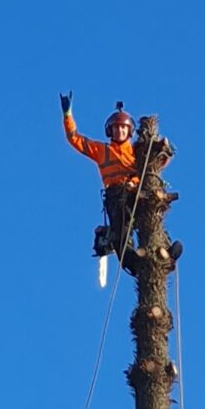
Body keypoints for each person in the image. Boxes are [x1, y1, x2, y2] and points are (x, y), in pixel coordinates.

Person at [60, 91, 181, 274]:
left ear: (129, 130)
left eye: (123, 128)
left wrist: (165, 151)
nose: (120, 131)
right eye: (116, 128)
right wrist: (68, 115)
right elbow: (75, 139)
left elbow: (154, 166)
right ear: (110, 131)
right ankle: (135, 261)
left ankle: (166, 250)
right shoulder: (102, 150)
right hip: (116, 196)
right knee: (120, 235)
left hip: (137, 192)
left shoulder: (137, 151)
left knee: (151, 219)